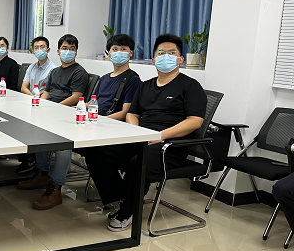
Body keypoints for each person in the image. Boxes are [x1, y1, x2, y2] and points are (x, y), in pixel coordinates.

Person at [81, 33, 207, 232]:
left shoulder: (190, 86)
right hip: (142, 138)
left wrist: (160, 136)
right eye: (161, 53)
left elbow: (195, 121)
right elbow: (132, 113)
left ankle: (127, 211)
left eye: (172, 53)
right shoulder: (146, 86)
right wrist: (138, 132)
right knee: (96, 151)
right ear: (154, 59)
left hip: (170, 145)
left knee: (137, 163)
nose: (166, 56)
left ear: (180, 59)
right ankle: (121, 198)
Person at [18, 34, 89, 210]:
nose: (68, 52)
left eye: (72, 49)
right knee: (37, 133)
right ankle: (41, 173)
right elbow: (47, 92)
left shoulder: (79, 72)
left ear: (76, 52)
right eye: (64, 48)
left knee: (63, 144)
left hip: (66, 115)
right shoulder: (55, 72)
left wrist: (54, 108)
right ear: (58, 51)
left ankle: (56, 187)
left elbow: (76, 97)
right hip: (50, 110)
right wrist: (39, 105)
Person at [16, 36, 58, 174]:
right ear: (32, 51)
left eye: (42, 47)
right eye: (36, 48)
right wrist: (32, 97)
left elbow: (49, 92)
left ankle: (33, 159)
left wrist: (35, 99)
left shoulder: (53, 69)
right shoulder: (31, 67)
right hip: (30, 101)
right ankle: (26, 157)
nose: (39, 50)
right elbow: (23, 87)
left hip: (44, 105)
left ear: (48, 49)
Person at [91, 34, 141, 121]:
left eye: (123, 49)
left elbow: (126, 112)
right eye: (115, 49)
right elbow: (92, 102)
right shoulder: (104, 78)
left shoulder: (133, 79)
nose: (119, 52)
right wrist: (76, 107)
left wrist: (101, 120)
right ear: (109, 54)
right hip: (96, 117)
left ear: (131, 53)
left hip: (111, 122)